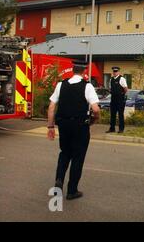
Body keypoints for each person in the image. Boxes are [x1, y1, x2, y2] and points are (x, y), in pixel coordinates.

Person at [47, 60, 100, 200]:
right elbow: (95, 109)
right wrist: (95, 119)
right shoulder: (87, 87)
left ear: (72, 70)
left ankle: (59, 180)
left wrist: (50, 126)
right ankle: (72, 191)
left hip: (63, 126)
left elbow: (51, 107)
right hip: (80, 126)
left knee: (64, 153)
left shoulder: (61, 84)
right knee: (78, 157)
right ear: (84, 71)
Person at [106, 67, 128, 134]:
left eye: (116, 71)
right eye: (114, 71)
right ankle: (112, 128)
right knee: (112, 114)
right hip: (113, 99)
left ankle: (121, 129)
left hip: (120, 99)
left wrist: (122, 94)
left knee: (120, 114)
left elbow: (125, 88)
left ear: (118, 72)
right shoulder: (111, 79)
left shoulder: (122, 79)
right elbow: (110, 88)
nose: (115, 73)